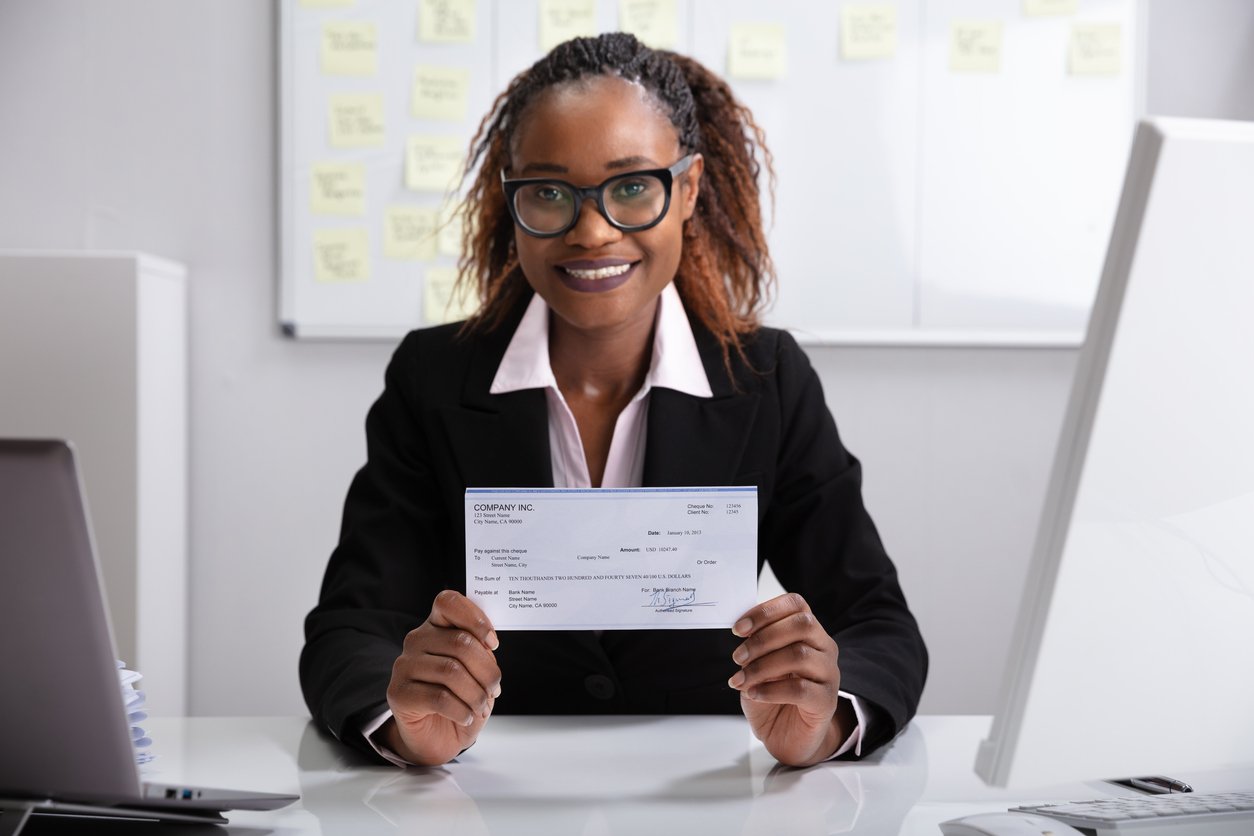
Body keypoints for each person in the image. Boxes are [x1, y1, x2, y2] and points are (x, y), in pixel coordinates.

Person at [300, 32, 927, 769]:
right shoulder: (435, 378)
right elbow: (351, 628)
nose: (591, 231)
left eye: (632, 187)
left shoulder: (766, 378)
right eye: (549, 192)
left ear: (687, 191)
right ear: (513, 201)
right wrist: (407, 726)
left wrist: (823, 724)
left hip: (703, 798)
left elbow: (877, 624)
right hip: (493, 794)